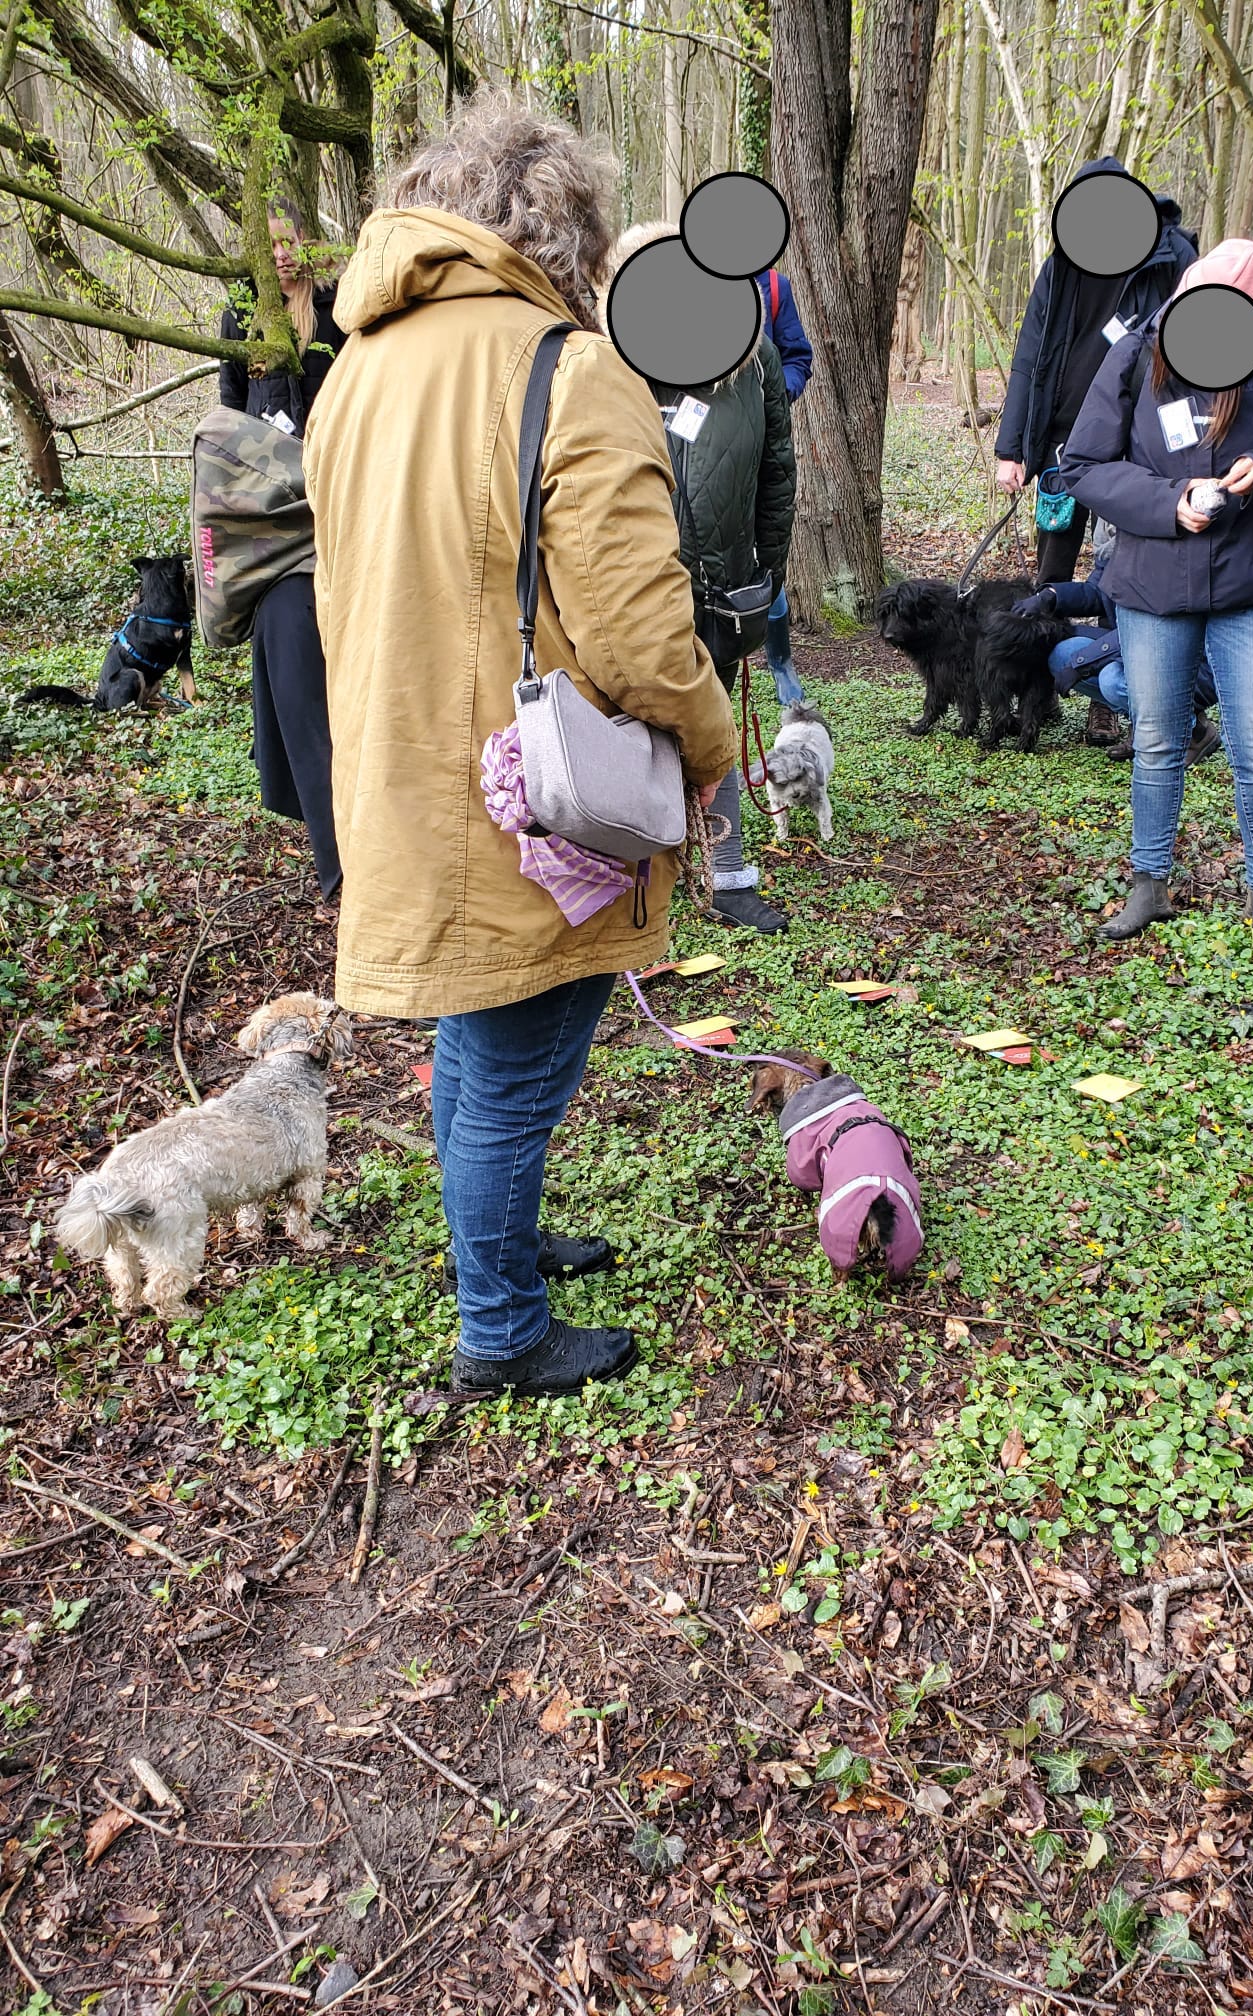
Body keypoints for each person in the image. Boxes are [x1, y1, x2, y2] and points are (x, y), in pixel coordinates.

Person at [304, 94, 737, 1399]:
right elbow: (641, 633)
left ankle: (500, 1243)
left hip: (397, 762)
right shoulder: (568, 363)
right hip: (526, 786)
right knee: (514, 1056)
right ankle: (501, 1327)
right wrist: (712, 747)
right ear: (571, 231)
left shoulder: (359, 369)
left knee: (479, 1037)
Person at [1061, 239, 1253, 951]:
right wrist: (1167, 501)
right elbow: (1085, 464)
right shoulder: (1141, 346)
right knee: (1156, 738)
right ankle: (1148, 884)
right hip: (1154, 582)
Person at [603, 223, 797, 935]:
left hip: (722, 584)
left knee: (709, 721)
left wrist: (764, 573)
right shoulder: (602, 361)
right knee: (624, 725)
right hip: (625, 584)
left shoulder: (756, 360)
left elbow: (779, 473)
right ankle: (625, 879)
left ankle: (726, 877)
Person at [994, 155, 1199, 629]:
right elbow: (1030, 357)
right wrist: (1012, 449)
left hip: (1135, 446)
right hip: (1063, 445)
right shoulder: (1062, 265)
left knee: (1123, 566)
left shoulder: (1172, 259)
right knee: (1052, 570)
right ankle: (1041, 691)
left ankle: (1107, 681)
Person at [218, 201, 344, 902]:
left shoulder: (334, 308)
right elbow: (228, 418)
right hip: (276, 534)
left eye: (290, 241)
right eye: (270, 246)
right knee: (297, 691)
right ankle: (338, 868)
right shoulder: (241, 315)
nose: (284, 255)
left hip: (340, 521)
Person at [1018, 520, 1221, 763]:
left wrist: (1082, 664)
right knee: (1062, 654)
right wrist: (1050, 597)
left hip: (1191, 662)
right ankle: (1148, 724)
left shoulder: (1161, 545)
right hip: (1136, 647)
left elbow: (1147, 630)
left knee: (1112, 679)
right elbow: (1099, 590)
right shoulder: (1114, 534)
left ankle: (1189, 732)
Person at [759, 265, 813, 708]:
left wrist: (776, 395)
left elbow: (798, 357)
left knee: (769, 544)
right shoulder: (686, 275)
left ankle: (780, 659)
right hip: (697, 441)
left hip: (761, 438)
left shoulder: (774, 286)